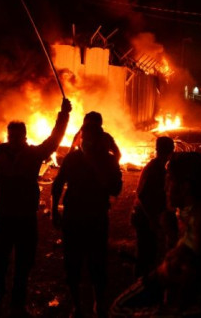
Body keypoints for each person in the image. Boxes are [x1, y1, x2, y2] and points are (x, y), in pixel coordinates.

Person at [0, 97, 71, 317]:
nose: (14, 139)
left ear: (24, 136)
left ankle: (17, 303)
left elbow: (54, 140)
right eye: (11, 135)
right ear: (8, 136)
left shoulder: (34, 154)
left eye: (17, 135)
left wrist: (63, 116)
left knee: (24, 262)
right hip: (5, 216)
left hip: (25, 216)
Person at [52, 122, 123, 318]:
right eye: (84, 136)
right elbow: (58, 183)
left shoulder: (108, 161)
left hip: (95, 218)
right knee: (72, 264)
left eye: (90, 136)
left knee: (97, 264)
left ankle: (98, 304)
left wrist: (93, 164)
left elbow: (115, 188)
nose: (86, 140)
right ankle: (77, 306)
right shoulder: (72, 158)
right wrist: (53, 211)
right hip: (73, 218)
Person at [130, 136, 178, 278]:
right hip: (144, 217)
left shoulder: (162, 167)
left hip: (151, 215)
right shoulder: (154, 168)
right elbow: (143, 196)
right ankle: (141, 281)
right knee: (146, 252)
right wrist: (151, 219)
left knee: (151, 251)